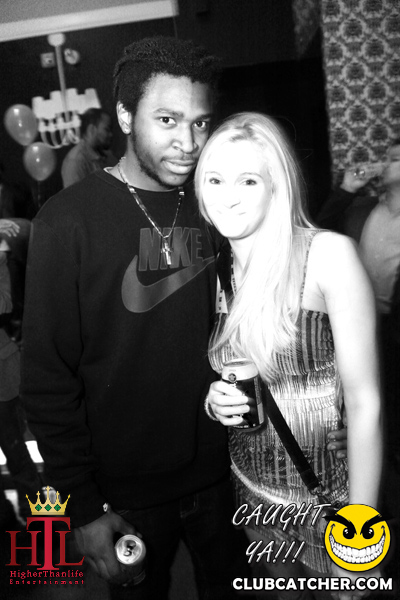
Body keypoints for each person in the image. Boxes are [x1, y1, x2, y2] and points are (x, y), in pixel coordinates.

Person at [21, 37, 346, 598]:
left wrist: (321, 406)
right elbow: (47, 376)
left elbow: (276, 305)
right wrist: (81, 507)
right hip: (127, 491)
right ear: (126, 116)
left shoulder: (216, 201)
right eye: (167, 120)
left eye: (200, 123)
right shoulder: (67, 221)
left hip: (231, 472)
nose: (189, 142)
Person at [195, 112, 382, 599]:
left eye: (248, 180)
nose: (227, 196)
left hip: (330, 506)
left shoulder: (327, 256)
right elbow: (240, 378)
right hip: (255, 501)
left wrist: (362, 536)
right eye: (214, 179)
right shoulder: (216, 271)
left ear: (276, 186)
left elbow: (366, 404)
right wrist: (216, 402)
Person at [317, 142, 400, 468]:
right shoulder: (362, 207)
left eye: (396, 158)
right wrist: (347, 189)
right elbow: (319, 232)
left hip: (393, 327)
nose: (387, 162)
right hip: (353, 324)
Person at [61, 107, 115, 188]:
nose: (111, 135)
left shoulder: (107, 156)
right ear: (91, 129)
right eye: (107, 129)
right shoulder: (75, 162)